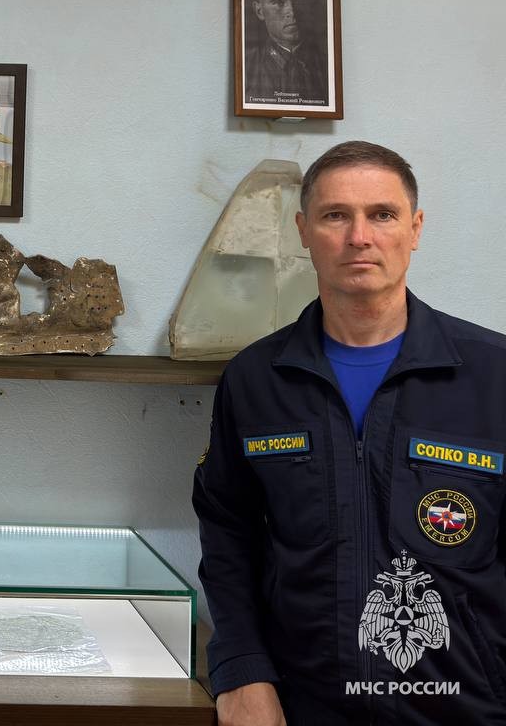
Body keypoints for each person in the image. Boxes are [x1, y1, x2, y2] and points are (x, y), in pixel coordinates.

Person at [194, 141, 506, 725]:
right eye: (336, 215)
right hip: (303, 705)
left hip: (467, 708)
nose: (359, 237)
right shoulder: (257, 379)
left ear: (415, 229)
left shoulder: (494, 375)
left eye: (382, 214)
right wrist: (240, 669)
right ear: (303, 232)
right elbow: (228, 534)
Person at [244, 0, 328, 105]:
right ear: (259, 11)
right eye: (279, 2)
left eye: (299, 1)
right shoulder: (245, 69)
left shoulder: (328, 66)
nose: (292, 12)